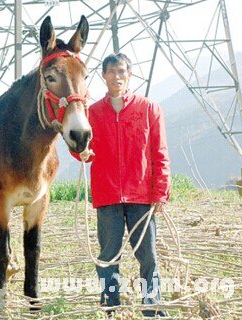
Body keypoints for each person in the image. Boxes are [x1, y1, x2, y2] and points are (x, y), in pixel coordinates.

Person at [87, 53, 171, 317]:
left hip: (141, 195)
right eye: (111, 71)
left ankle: (152, 306)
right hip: (108, 194)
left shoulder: (148, 109)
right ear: (103, 76)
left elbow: (160, 152)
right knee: (108, 255)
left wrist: (161, 191)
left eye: (121, 71)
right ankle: (111, 306)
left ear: (130, 75)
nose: (117, 76)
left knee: (147, 256)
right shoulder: (92, 113)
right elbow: (80, 146)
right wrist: (80, 152)